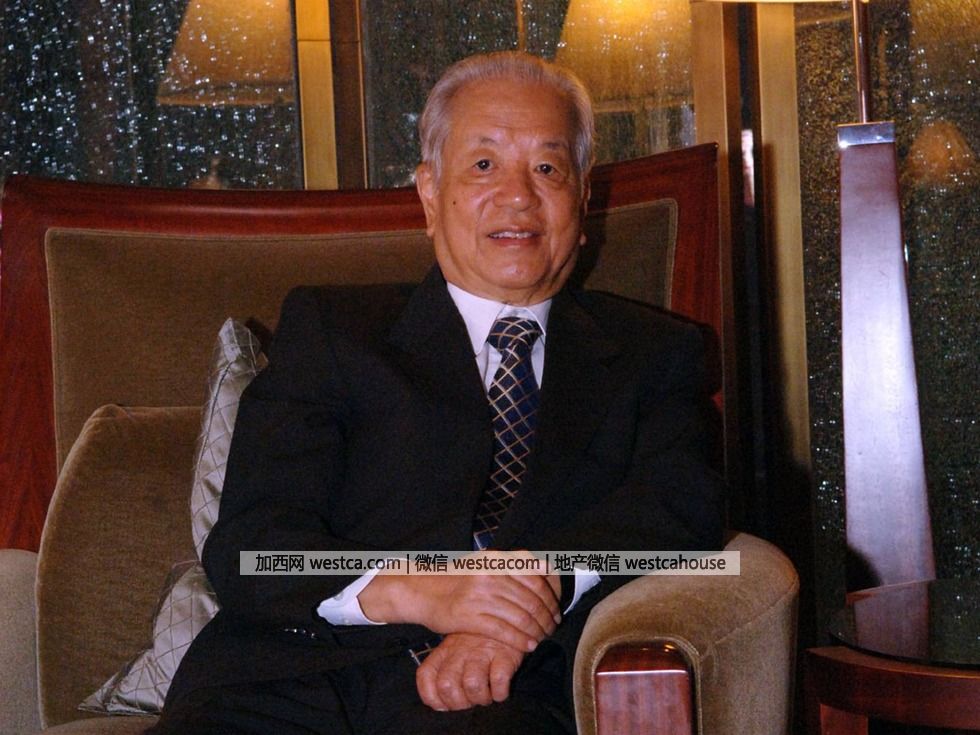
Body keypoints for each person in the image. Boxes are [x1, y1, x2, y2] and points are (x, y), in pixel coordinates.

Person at [151, 50, 724, 735]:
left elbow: (680, 511)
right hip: (284, 676)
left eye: (547, 168)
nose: (518, 195)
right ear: (429, 194)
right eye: (483, 164)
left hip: (502, 689)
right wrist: (420, 590)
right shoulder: (333, 330)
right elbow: (252, 547)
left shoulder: (653, 354)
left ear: (583, 198)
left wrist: (524, 600)